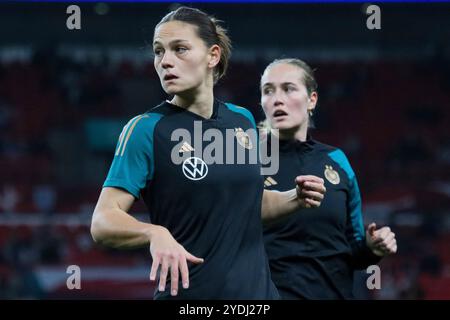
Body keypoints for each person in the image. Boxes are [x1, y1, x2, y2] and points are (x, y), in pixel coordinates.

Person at [90, 8, 326, 300]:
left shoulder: (243, 120)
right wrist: (154, 233)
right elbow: (102, 221)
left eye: (180, 49)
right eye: (158, 51)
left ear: (213, 56)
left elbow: (246, 205)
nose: (165, 61)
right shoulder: (146, 130)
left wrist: (294, 197)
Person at [260, 58, 397, 299]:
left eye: (288, 88)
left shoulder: (337, 160)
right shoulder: (245, 160)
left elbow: (353, 249)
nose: (277, 99)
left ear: (312, 99)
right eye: (268, 91)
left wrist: (372, 249)